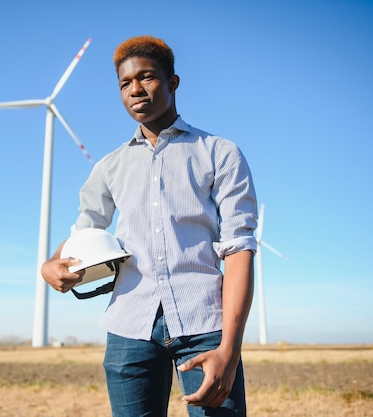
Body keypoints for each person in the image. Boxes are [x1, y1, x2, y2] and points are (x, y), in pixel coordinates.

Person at [41, 35, 257, 417]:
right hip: (129, 328)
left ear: (173, 82)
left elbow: (239, 246)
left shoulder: (219, 152)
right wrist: (50, 264)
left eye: (147, 77)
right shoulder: (108, 167)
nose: (135, 89)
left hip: (204, 324)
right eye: (125, 83)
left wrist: (230, 348)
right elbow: (85, 231)